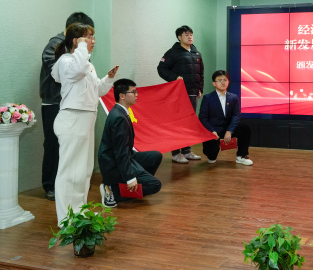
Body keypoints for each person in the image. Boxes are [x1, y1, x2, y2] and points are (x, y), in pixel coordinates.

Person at [51, 22, 118, 225]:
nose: (93, 41)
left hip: (86, 119)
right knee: (69, 172)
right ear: (76, 41)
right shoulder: (66, 60)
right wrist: (82, 47)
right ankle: (66, 219)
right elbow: (76, 72)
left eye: (92, 37)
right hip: (72, 119)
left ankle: (78, 212)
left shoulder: (86, 63)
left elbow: (97, 90)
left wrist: (108, 79)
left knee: (83, 171)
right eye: (88, 37)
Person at [39, 12, 94, 201]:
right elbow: (64, 72)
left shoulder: (78, 48)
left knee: (74, 147)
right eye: (87, 35)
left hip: (74, 103)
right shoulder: (56, 44)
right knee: (54, 145)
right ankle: (51, 185)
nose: (90, 39)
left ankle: (72, 183)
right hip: (55, 102)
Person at [98, 79, 162, 207]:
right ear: (122, 96)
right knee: (154, 185)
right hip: (113, 163)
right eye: (133, 92)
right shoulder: (119, 117)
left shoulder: (121, 112)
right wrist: (130, 177)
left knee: (155, 156)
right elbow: (120, 152)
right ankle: (112, 191)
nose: (136, 95)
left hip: (126, 156)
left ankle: (133, 186)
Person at [157, 25, 204, 163]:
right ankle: (176, 153)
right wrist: (174, 78)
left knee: (189, 124)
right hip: (178, 94)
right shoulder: (173, 53)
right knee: (178, 124)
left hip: (193, 94)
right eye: (186, 35)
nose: (190, 37)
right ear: (179, 37)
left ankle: (187, 151)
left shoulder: (196, 53)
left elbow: (201, 73)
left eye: (191, 34)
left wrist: (200, 88)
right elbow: (161, 68)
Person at [199, 70, 253, 165]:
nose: (223, 82)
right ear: (214, 83)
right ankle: (211, 153)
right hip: (214, 130)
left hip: (228, 128)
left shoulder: (233, 98)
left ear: (228, 82)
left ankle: (241, 156)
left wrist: (229, 131)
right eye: (219, 80)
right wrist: (211, 131)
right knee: (211, 158)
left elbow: (236, 115)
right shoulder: (208, 98)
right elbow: (203, 118)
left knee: (244, 128)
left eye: (225, 80)